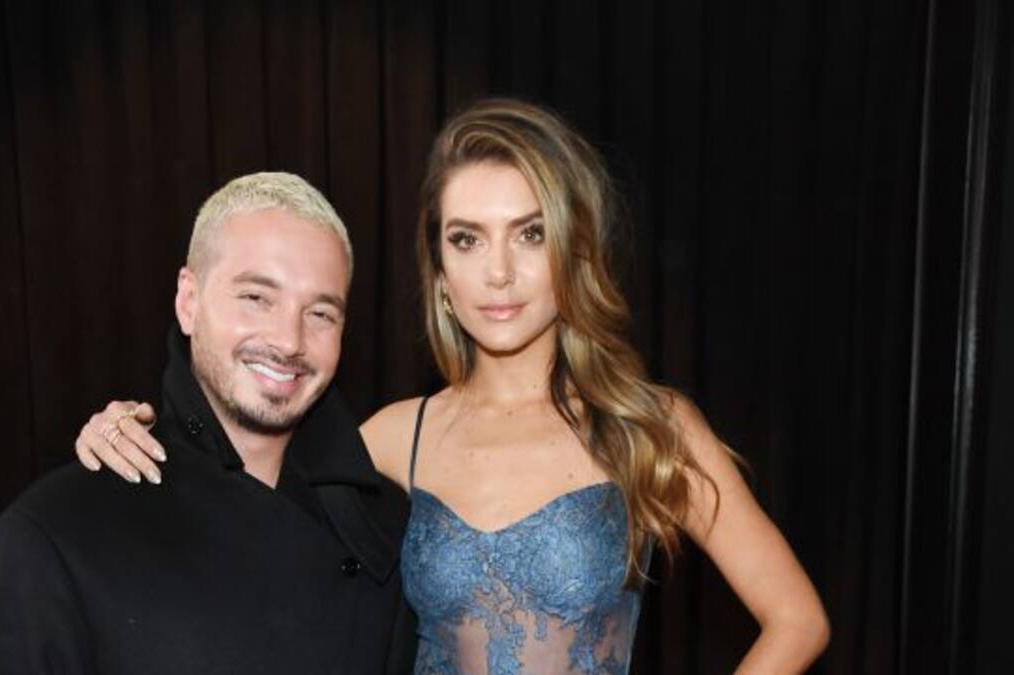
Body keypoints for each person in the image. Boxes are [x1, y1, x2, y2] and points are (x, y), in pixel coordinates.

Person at [77, 99, 830, 673]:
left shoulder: (647, 424)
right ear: (439, 271)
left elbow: (797, 619)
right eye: (466, 239)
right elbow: (233, 485)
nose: (497, 272)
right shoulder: (388, 439)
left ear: (572, 250)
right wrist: (136, 427)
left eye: (530, 234)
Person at [0, 173, 416, 674]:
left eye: (320, 313)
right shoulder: (59, 528)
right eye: (256, 298)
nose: (289, 340)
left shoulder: (386, 526)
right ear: (189, 300)